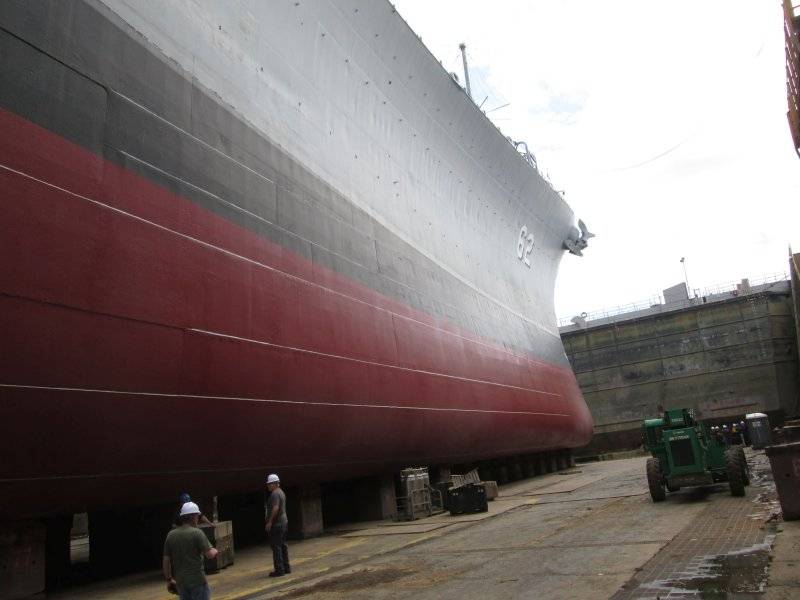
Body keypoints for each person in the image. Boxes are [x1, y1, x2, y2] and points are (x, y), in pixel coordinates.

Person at [163, 502, 218, 599]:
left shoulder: (171, 535)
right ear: (193, 516)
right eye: (197, 516)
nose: (198, 518)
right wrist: (215, 550)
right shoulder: (197, 533)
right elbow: (209, 555)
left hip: (181, 583)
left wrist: (169, 579)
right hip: (197, 581)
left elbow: (166, 560)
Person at [264, 473, 290, 577]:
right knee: (283, 546)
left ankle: (279, 570)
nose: (268, 486)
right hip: (284, 523)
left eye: (270, 484)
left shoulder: (274, 494)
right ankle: (286, 567)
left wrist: (270, 521)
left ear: (275, 484)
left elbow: (275, 508)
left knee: (276, 547)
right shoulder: (281, 492)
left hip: (277, 524)